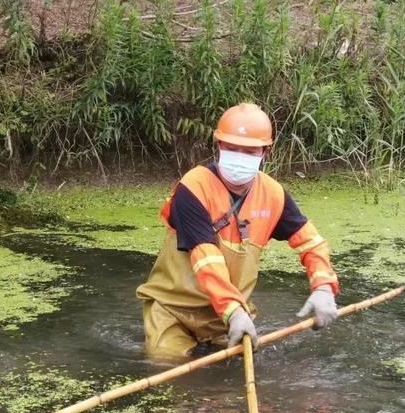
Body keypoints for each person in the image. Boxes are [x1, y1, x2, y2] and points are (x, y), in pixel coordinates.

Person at [136, 103, 339, 357]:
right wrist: (234, 311)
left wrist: (323, 286)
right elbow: (205, 258)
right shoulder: (193, 188)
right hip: (175, 310)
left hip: (227, 317)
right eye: (231, 148)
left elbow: (311, 243)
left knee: (233, 379)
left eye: (250, 150)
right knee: (168, 363)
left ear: (266, 152)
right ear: (218, 145)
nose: (239, 156)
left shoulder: (273, 195)